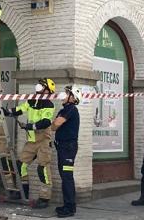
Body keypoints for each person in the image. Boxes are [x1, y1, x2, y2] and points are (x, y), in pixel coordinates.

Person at [3, 78, 56, 208]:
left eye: (42, 86)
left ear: (47, 90)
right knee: (20, 165)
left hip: (43, 140)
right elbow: (21, 109)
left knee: (42, 168)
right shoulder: (32, 101)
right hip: (31, 141)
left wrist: (29, 126)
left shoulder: (49, 104)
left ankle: (44, 198)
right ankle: (23, 193)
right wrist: (8, 112)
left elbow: (45, 122)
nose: (38, 87)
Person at [51, 85, 82, 218]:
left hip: (68, 149)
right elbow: (54, 125)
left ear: (73, 98)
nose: (63, 95)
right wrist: (55, 124)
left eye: (67, 93)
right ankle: (67, 205)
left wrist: (55, 124)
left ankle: (70, 208)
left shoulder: (71, 109)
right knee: (65, 177)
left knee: (67, 177)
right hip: (63, 148)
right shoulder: (65, 109)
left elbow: (56, 124)